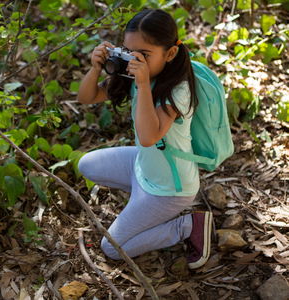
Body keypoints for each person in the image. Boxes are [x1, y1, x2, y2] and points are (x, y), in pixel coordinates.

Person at [77, 8, 212, 269]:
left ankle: (186, 225)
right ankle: (143, 207)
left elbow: (149, 137)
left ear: (170, 53)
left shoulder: (179, 89)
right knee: (86, 164)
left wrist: (140, 85)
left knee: (112, 249)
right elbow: (86, 97)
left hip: (170, 189)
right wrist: (96, 68)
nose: (134, 60)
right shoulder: (136, 73)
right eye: (129, 51)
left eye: (144, 54)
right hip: (143, 168)